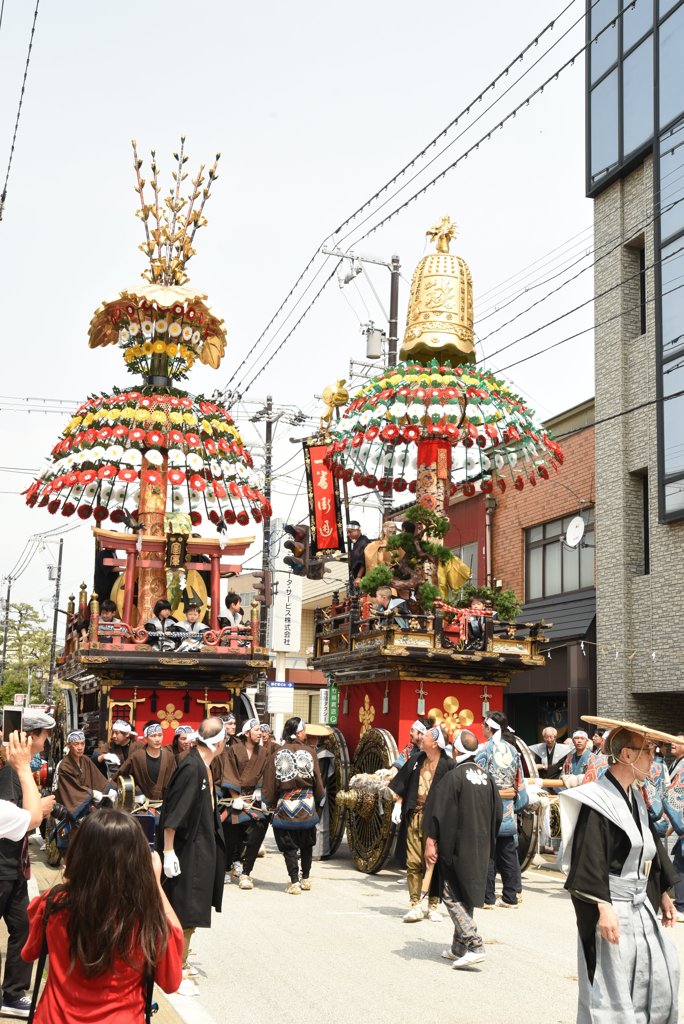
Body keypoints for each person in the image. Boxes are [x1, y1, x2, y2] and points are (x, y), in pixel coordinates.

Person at [560, 720, 680, 1023]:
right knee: (611, 986)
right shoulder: (597, 800)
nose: (653, 759)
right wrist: (603, 907)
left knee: (657, 974)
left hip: (639, 904)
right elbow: (589, 858)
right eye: (648, 751)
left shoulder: (635, 795)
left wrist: (663, 892)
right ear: (627, 754)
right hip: (612, 905)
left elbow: (650, 847)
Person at [21, 810, 183, 1022]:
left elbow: (29, 953)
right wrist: (155, 885)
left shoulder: (53, 903)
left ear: (80, 851)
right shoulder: (147, 916)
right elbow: (171, 982)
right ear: (138, 860)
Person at [424, 729, 503, 969]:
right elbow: (498, 813)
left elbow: (438, 810)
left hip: (458, 844)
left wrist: (431, 841)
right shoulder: (487, 778)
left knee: (450, 893)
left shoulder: (454, 777)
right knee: (465, 892)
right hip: (482, 843)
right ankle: (458, 948)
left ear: (456, 751)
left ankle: (474, 943)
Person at [158, 717, 226, 992]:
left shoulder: (202, 765)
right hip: (186, 849)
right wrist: (168, 851)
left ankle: (180, 963)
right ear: (219, 743)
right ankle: (175, 971)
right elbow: (174, 813)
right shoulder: (191, 768)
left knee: (192, 908)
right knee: (184, 910)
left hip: (199, 846)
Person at [0, 712, 56, 1018]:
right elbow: (17, 817)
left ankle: (13, 993)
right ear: (31, 736)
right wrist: (37, 811)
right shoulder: (12, 772)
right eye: (45, 734)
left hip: (16, 866)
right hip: (4, 866)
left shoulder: (22, 769)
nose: (46, 741)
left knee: (25, 925)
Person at [390, 725, 453, 923]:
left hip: (436, 820)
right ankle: (415, 904)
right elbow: (403, 783)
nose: (422, 737)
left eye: (426, 735)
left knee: (433, 862)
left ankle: (433, 905)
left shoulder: (449, 765)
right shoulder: (417, 759)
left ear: (435, 743)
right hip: (415, 816)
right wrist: (398, 803)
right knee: (413, 862)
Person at [262, 718, 324, 894]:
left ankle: (294, 881)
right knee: (307, 844)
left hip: (286, 805)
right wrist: (319, 797)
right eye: (303, 731)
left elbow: (270, 783)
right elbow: (318, 781)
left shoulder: (277, 754)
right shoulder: (310, 752)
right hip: (307, 804)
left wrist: (270, 802)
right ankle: (306, 879)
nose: (305, 734)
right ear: (298, 733)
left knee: (289, 845)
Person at [476, 711, 528, 908]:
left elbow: (479, 780)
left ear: (489, 728)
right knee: (507, 851)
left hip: (489, 806)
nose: (482, 728)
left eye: (484, 725)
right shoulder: (513, 750)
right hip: (507, 807)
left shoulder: (485, 750)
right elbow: (519, 780)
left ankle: (487, 897)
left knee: (487, 852)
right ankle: (510, 896)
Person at [220, 718, 269, 890]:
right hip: (235, 799)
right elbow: (229, 772)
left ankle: (246, 872)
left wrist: (260, 789)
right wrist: (236, 796)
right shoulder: (233, 750)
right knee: (230, 835)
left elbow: (266, 772)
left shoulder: (263, 752)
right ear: (247, 733)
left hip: (253, 799)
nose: (260, 733)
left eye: (260, 730)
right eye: (256, 730)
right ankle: (227, 868)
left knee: (257, 831)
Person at [114, 723, 176, 808]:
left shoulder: (169, 756)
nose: (157, 739)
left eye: (160, 735)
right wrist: (135, 793)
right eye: (153, 736)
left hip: (164, 804)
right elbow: (120, 775)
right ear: (145, 738)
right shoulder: (137, 756)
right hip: (141, 805)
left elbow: (175, 781)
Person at [55, 731, 109, 814]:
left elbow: (97, 778)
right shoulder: (64, 766)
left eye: (82, 744)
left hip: (88, 804)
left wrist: (109, 789)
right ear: (69, 745)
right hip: (72, 807)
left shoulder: (86, 759)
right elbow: (73, 790)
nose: (80, 747)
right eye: (76, 744)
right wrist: (92, 793)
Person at [664, 734, 684, 923]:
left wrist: (679, 826)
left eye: (677, 741)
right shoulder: (676, 763)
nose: (673, 743)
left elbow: (673, 797)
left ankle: (681, 906)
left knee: (679, 864)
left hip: (681, 823)